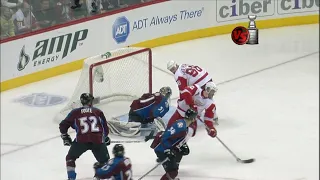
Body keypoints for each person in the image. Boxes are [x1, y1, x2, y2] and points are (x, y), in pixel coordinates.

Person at [59, 93, 111, 180]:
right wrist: (104, 138)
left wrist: (65, 136)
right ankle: (98, 177)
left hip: (81, 140)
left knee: (70, 158)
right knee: (105, 162)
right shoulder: (98, 111)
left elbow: (63, 125)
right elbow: (105, 129)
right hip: (97, 140)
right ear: (90, 101)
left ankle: (71, 178)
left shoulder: (75, 112)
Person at [150, 108, 198, 180]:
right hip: (162, 148)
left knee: (173, 170)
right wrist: (167, 150)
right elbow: (166, 136)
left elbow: (174, 140)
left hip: (164, 148)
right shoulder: (181, 127)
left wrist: (182, 147)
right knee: (172, 172)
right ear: (193, 118)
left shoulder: (182, 124)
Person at [107, 86, 172, 137]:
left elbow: (143, 100)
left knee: (136, 126)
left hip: (137, 113)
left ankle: (119, 123)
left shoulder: (158, 98)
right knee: (135, 127)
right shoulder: (164, 104)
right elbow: (155, 114)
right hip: (138, 114)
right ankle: (116, 123)